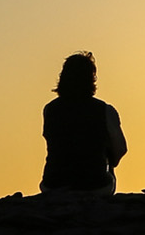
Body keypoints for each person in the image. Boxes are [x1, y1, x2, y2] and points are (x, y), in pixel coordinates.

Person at [40, 52, 127, 195]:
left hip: (53, 185)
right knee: (109, 160)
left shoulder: (50, 110)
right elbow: (120, 149)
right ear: (91, 79)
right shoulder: (105, 110)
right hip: (95, 185)